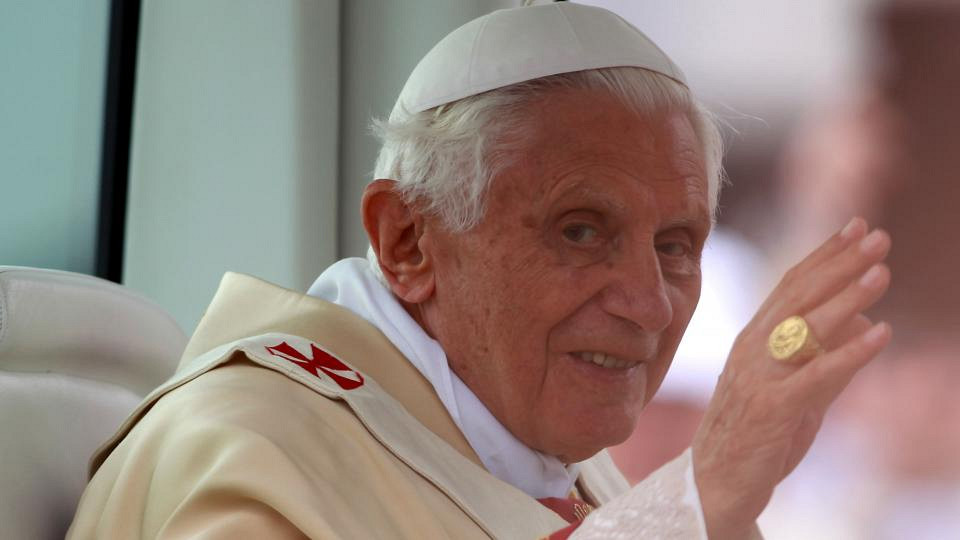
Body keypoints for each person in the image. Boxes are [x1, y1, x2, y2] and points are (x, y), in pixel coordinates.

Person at [68, 3, 893, 539]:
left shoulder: (562, 465)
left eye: (675, 245)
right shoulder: (242, 445)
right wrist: (696, 497)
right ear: (408, 242)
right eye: (581, 231)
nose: (647, 303)